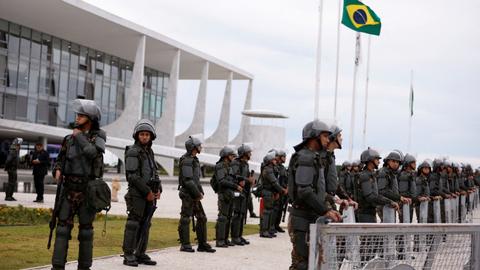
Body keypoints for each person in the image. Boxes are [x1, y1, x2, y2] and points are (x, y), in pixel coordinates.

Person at [51, 99, 106, 270]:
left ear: (90, 118)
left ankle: (84, 267)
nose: (77, 117)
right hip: (68, 189)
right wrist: (57, 170)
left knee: (86, 232)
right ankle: (58, 266)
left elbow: (92, 153)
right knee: (62, 230)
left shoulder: (99, 137)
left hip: (87, 190)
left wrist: (79, 136)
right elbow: (59, 160)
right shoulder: (68, 139)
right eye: (78, 114)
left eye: (81, 115)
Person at [287, 120, 342, 270]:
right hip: (301, 219)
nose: (327, 140)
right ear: (313, 137)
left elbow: (318, 190)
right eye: (324, 136)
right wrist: (326, 210)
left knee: (311, 263)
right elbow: (304, 190)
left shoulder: (313, 157)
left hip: (308, 217)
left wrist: (330, 204)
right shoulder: (306, 157)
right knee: (303, 265)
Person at [122, 119, 162, 267]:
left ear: (151, 137)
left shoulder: (149, 152)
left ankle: (140, 253)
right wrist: (147, 192)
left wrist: (158, 190)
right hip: (137, 194)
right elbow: (132, 176)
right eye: (142, 134)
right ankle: (128, 254)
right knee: (133, 223)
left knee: (146, 224)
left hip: (149, 195)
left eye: (147, 134)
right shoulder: (133, 151)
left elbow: (154, 172)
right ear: (137, 136)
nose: (144, 137)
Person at [356, 148, 398, 263]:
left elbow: (375, 195)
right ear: (370, 160)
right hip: (364, 213)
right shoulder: (365, 176)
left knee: (372, 242)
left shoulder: (370, 175)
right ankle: (363, 265)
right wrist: (389, 201)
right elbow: (370, 196)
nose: (379, 162)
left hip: (370, 212)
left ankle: (366, 264)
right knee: (368, 243)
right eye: (377, 159)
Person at [177, 136, 216, 253]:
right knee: (185, 218)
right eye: (199, 146)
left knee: (202, 218)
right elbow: (188, 180)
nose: (200, 147)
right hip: (188, 194)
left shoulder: (194, 159)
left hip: (194, 194)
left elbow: (195, 179)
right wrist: (197, 193)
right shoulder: (187, 160)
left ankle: (202, 244)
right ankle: (185, 245)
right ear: (193, 147)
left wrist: (200, 191)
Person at [230, 143, 255, 245]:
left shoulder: (246, 164)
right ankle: (235, 237)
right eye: (249, 152)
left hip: (244, 192)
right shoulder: (236, 163)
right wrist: (246, 179)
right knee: (236, 215)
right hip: (237, 191)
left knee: (242, 215)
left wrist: (251, 181)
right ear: (244, 153)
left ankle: (239, 236)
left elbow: (246, 177)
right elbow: (235, 175)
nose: (250, 154)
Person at [214, 146, 238, 248]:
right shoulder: (220, 166)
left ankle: (225, 239)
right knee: (222, 218)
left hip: (229, 195)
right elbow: (222, 181)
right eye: (231, 155)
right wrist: (235, 186)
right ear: (226, 156)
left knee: (228, 217)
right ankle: (220, 241)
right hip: (223, 195)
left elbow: (232, 179)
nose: (233, 157)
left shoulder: (229, 166)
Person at [377, 150, 411, 222]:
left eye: (397, 162)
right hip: (384, 205)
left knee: (391, 226)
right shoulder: (383, 172)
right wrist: (399, 197)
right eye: (393, 161)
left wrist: (400, 199)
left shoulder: (392, 173)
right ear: (388, 162)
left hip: (391, 204)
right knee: (386, 228)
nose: (395, 163)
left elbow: (393, 191)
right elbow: (382, 191)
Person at [260, 151, 286, 238]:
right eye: (274, 159)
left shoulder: (270, 169)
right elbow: (274, 182)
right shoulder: (268, 169)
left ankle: (267, 230)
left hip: (270, 192)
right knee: (267, 212)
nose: (276, 161)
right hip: (267, 192)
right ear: (270, 161)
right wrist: (282, 190)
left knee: (270, 211)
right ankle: (264, 231)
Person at [397, 154, 417, 223]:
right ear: (408, 164)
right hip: (405, 203)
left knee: (409, 222)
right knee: (404, 222)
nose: (415, 164)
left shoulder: (411, 174)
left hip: (409, 202)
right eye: (413, 162)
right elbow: (403, 192)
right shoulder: (404, 175)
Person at [272, 149, 288, 233]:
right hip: (278, 191)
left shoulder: (283, 168)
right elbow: (276, 180)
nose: (285, 158)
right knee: (275, 209)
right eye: (284, 157)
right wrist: (278, 191)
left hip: (284, 191)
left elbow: (286, 179)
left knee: (280, 209)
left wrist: (287, 188)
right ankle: (272, 226)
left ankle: (277, 225)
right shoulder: (276, 167)